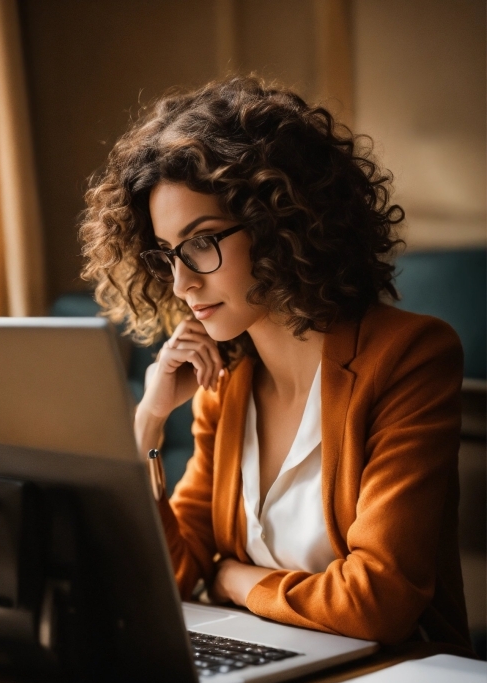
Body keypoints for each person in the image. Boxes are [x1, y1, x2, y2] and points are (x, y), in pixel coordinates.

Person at [79, 75, 471, 649]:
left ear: (277, 224)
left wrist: (238, 581)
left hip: (396, 679)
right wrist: (148, 422)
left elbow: (376, 603)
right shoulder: (224, 380)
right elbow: (180, 572)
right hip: (267, 664)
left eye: (202, 241)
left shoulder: (411, 358)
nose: (183, 282)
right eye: (167, 256)